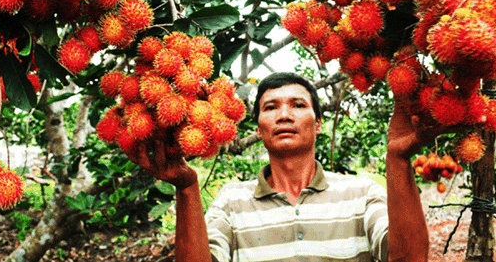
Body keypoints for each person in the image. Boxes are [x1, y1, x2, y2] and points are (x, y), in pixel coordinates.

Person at [128, 72, 441, 262]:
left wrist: (398, 161)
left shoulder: (361, 194)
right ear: (260, 128)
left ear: (318, 125)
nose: (284, 115)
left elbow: (410, 258)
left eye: (298, 105)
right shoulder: (231, 202)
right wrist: (186, 188)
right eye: (270, 107)